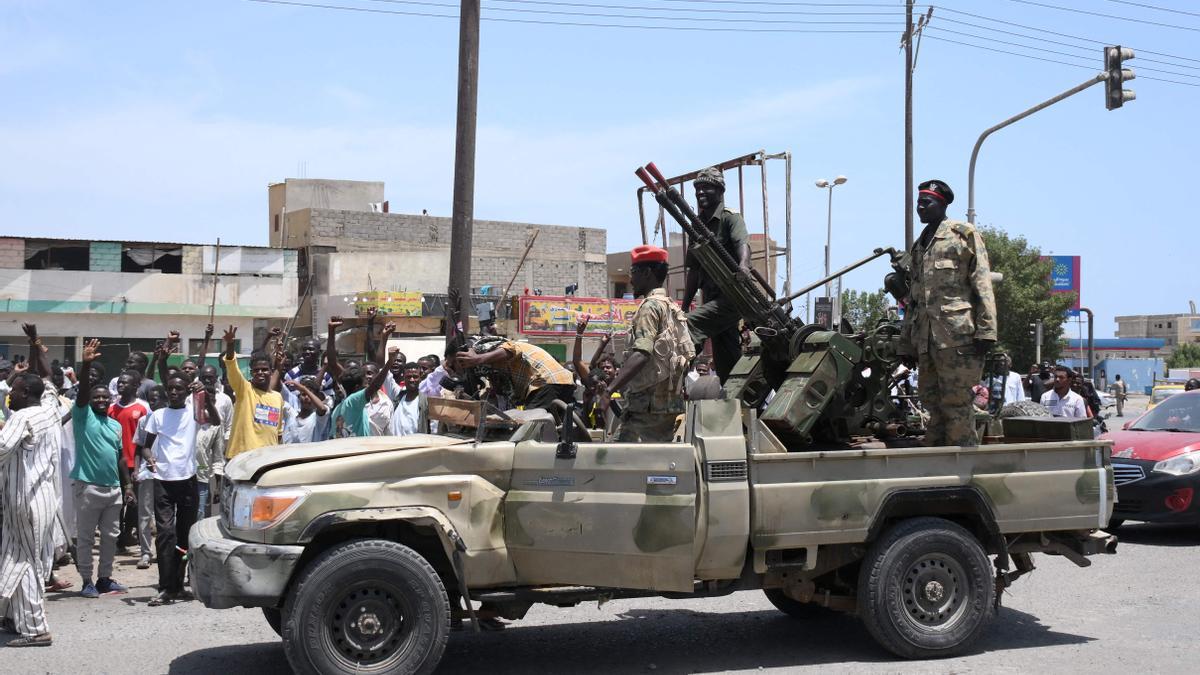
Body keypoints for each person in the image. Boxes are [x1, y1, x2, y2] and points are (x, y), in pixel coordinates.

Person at [898, 179, 997, 447]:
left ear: (941, 205)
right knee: (932, 404)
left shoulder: (962, 235)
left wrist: (987, 330)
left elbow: (982, 283)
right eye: (918, 203)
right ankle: (937, 464)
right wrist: (907, 342)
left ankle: (963, 466)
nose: (919, 207)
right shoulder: (920, 245)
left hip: (957, 338)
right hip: (927, 341)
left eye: (926, 202)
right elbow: (915, 299)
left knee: (957, 405)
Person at [0, 324, 62, 647]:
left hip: (25, 502)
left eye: (14, 389)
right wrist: (36, 342)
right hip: (42, 501)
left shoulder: (21, 419)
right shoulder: (49, 408)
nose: (9, 392)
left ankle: (35, 629)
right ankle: (16, 617)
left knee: (22, 562)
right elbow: (48, 378)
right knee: (22, 558)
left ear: (25, 394)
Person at [598, 246, 695, 442]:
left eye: (633, 272)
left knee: (616, 463)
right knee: (655, 462)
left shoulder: (650, 307)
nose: (631, 280)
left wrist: (609, 390)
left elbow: (642, 353)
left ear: (647, 273)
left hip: (646, 408)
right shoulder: (670, 306)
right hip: (667, 405)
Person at [142, 372, 218, 606]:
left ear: (186, 392)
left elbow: (215, 421)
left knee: (185, 535)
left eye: (179, 389)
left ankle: (178, 586)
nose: (174, 392)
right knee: (166, 534)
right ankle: (165, 587)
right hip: (163, 481)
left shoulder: (194, 413)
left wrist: (204, 396)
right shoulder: (157, 415)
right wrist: (149, 459)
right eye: (170, 389)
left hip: (188, 480)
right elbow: (145, 447)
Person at [70, 339, 132, 599]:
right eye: (96, 397)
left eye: (104, 397)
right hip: (88, 487)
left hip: (113, 489)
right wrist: (86, 365)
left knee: (110, 537)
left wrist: (127, 484)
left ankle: (104, 578)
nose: (100, 400)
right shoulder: (83, 416)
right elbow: (83, 393)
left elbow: (119, 458)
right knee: (86, 538)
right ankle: (86, 581)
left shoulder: (115, 425)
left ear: (111, 399)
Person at [681, 167, 750, 383]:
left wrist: (743, 265)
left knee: (687, 327)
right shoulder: (697, 224)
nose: (700, 192)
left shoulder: (730, 218)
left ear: (720, 190)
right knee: (726, 360)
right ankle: (733, 400)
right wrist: (684, 306)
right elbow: (693, 269)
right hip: (713, 298)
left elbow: (742, 244)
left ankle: (676, 375)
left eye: (706, 187)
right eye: (697, 188)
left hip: (732, 297)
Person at [445, 337, 576, 414]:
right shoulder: (481, 369)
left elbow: (512, 349)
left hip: (546, 380)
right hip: (560, 381)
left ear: (460, 356)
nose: (453, 371)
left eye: (452, 365)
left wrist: (478, 358)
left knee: (530, 428)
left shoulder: (479, 348)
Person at [222, 325, 284, 459]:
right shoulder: (244, 390)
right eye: (256, 370)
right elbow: (232, 367)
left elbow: (278, 434)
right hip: (241, 458)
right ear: (251, 373)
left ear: (271, 372)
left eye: (264, 369)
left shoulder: (277, 398)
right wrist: (231, 345)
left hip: (267, 460)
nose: (260, 373)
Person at [107, 369, 149, 552]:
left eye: (125, 383)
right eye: (120, 382)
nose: (121, 385)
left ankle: (131, 534)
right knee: (117, 504)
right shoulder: (111, 409)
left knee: (134, 504)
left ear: (135, 386)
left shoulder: (142, 408)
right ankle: (119, 538)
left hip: (135, 463)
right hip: (115, 463)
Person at [132, 385, 167, 569]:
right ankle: (145, 552)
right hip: (147, 473)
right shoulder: (144, 421)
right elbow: (139, 447)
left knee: (165, 516)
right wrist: (137, 469)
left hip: (167, 475)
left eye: (156, 399)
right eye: (150, 399)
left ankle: (164, 551)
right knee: (144, 515)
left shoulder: (169, 419)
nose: (153, 403)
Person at [282, 376, 331, 444]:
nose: (306, 398)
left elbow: (322, 409)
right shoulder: (291, 414)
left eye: (310, 395)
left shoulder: (317, 418)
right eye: (304, 394)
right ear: (299, 397)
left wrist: (304, 389)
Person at [388, 362, 430, 436]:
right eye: (408, 376)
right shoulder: (398, 399)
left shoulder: (425, 402)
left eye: (415, 376)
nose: (412, 380)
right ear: (403, 377)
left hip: (416, 445)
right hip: (395, 444)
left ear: (420, 378)